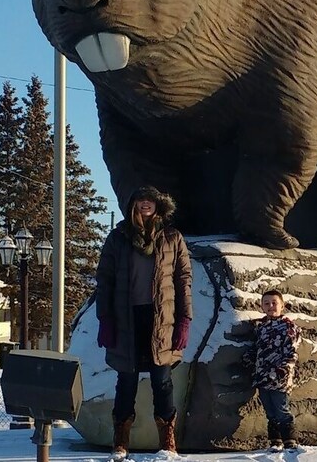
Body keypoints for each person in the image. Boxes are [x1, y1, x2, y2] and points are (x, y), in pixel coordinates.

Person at [95, 186, 193, 459]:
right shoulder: (118, 238)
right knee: (126, 379)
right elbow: (105, 280)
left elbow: (183, 280)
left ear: (158, 206)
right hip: (126, 318)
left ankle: (167, 442)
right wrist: (105, 319)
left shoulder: (173, 237)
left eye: (150, 201)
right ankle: (121, 440)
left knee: (162, 381)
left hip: (161, 318)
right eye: (140, 200)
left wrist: (184, 320)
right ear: (132, 206)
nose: (145, 204)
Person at [244, 289, 302, 451]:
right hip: (262, 376)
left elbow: (291, 351)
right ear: (262, 306)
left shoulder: (288, 327)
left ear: (282, 306)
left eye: (274, 303)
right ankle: (275, 440)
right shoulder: (261, 327)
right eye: (267, 303)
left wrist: (284, 368)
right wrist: (248, 359)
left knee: (281, 408)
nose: (271, 306)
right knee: (269, 410)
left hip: (280, 378)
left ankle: (290, 439)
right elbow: (257, 347)